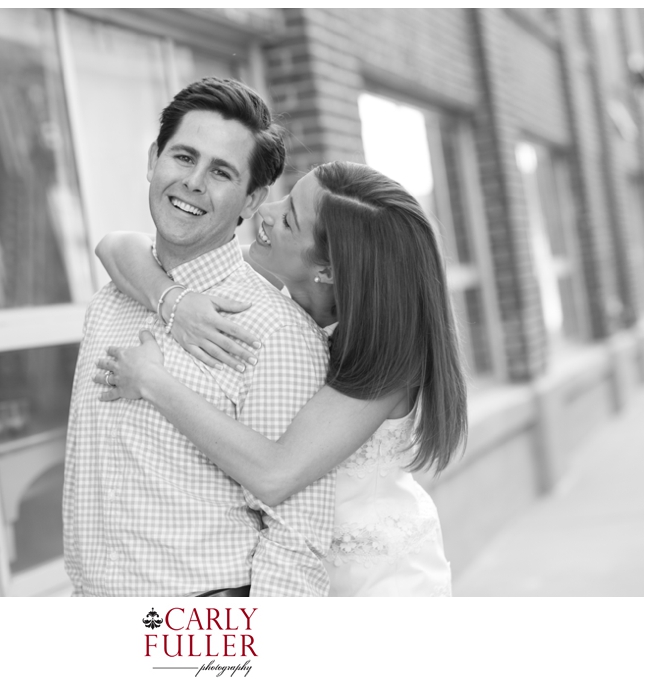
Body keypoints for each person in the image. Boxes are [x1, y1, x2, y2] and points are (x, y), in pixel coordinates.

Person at [94, 161, 468, 596]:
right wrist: (173, 301)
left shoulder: (386, 359)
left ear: (327, 270)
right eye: (287, 196)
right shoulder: (275, 308)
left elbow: (275, 474)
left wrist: (152, 382)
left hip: (376, 586)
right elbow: (116, 245)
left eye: (289, 218)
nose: (265, 211)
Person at [63, 77, 336, 597]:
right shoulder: (110, 300)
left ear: (252, 199)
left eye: (221, 172)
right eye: (184, 157)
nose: (193, 182)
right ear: (153, 159)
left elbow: (298, 539)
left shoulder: (275, 332)